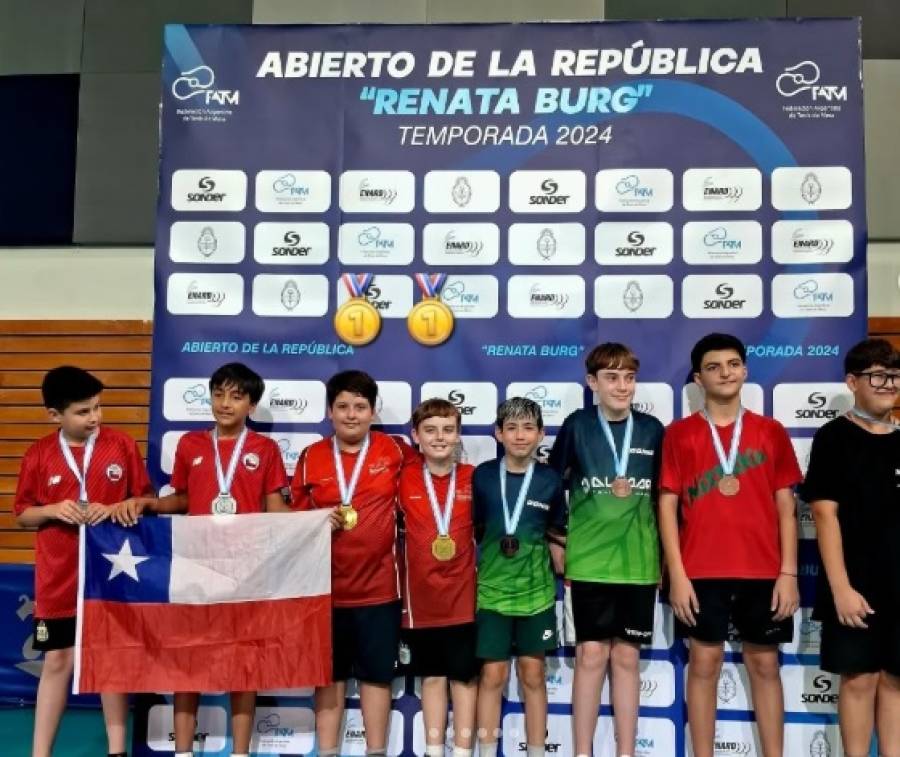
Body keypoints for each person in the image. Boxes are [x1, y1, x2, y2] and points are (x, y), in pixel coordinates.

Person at [117, 362, 289, 757]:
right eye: (218, 394)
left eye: (236, 396)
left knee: (244, 663)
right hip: (196, 566)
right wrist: (150, 504)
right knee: (189, 659)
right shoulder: (191, 444)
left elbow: (276, 508)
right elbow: (182, 499)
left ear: (251, 405)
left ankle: (240, 752)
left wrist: (315, 522)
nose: (225, 403)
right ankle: (183, 751)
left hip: (246, 571)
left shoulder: (265, 449)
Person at [658, 333, 801, 757]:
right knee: (703, 664)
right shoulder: (679, 434)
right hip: (700, 570)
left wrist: (788, 573)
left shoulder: (770, 431)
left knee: (765, 664)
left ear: (745, 370)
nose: (725, 373)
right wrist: (677, 574)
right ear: (698, 379)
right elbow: (667, 506)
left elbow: (786, 508)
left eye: (733, 364)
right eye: (714, 367)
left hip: (764, 569)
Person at [14, 366, 155, 757]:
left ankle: (116, 751)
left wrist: (117, 508)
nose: (94, 417)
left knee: (110, 658)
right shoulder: (39, 454)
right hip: (58, 577)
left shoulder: (121, 445)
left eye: (97, 407)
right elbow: (23, 513)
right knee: (57, 659)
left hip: (112, 573)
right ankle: (40, 753)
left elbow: (145, 500)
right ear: (54, 415)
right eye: (83, 411)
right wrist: (52, 509)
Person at [291, 370, 417, 757]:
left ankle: (375, 752)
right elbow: (292, 519)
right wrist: (315, 520)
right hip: (325, 590)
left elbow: (427, 488)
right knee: (328, 678)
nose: (351, 414)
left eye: (360, 407)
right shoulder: (311, 457)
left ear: (372, 412)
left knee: (376, 677)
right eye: (343, 406)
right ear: (329, 411)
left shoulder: (395, 451)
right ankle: (327, 752)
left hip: (380, 590)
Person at [549, 342, 664, 757]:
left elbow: (663, 498)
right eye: (612, 377)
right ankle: (583, 752)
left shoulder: (652, 429)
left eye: (629, 378)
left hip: (638, 562)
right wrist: (556, 539)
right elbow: (549, 485)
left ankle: (625, 752)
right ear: (592, 382)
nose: (622, 386)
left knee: (627, 659)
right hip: (588, 561)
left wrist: (665, 558)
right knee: (591, 656)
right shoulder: (577, 425)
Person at [802, 338, 900, 757]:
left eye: (894, 375)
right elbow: (824, 515)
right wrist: (841, 588)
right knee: (859, 679)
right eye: (877, 375)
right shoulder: (834, 437)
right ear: (852, 382)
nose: (888, 383)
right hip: (854, 583)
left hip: (898, 583)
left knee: (895, 681)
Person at [473, 397, 565, 757]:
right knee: (492, 676)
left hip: (536, 594)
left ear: (541, 434)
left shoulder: (549, 480)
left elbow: (556, 532)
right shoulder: (482, 476)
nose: (520, 435)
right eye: (511, 428)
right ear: (498, 434)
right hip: (491, 593)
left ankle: (537, 752)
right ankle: (485, 751)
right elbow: (477, 528)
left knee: (533, 675)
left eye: (528, 428)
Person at [398, 398, 478, 757]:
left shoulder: (475, 477)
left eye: (448, 430)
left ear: (458, 434)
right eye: (430, 430)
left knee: (464, 678)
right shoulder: (402, 478)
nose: (440, 437)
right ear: (416, 436)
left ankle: (461, 751)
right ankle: (433, 750)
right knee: (432, 678)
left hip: (463, 598)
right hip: (421, 601)